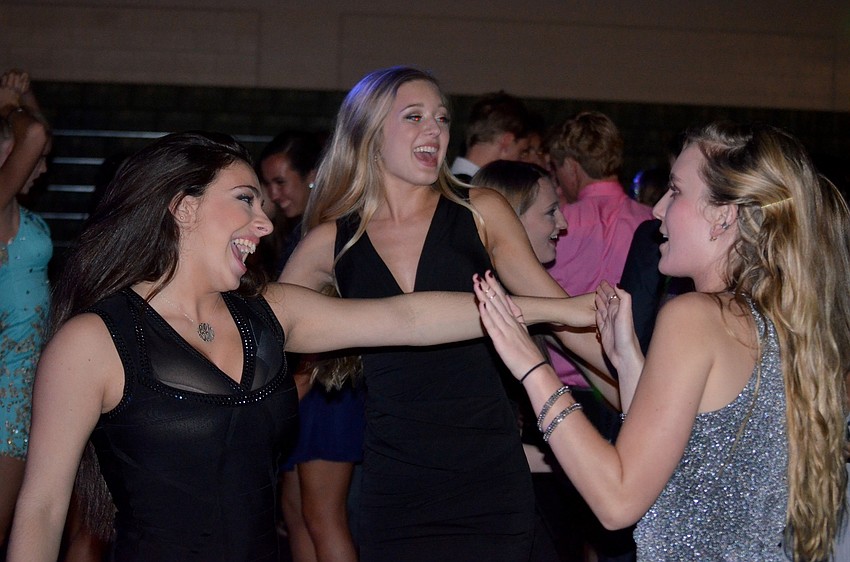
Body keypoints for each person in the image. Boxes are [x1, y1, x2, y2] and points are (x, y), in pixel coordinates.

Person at [6, 130, 595, 562]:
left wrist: (557, 310)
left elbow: (411, 317)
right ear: (183, 209)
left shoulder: (271, 314)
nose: (264, 224)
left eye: (263, 204)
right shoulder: (93, 342)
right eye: (244, 199)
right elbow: (42, 510)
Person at [475, 121, 850, 561]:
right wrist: (629, 361)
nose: (655, 210)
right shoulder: (781, 319)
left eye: (675, 192)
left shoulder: (695, 316)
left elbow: (617, 501)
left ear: (724, 215)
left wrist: (532, 370)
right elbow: (694, 466)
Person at [282, 66, 606, 561]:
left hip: (489, 478)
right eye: (414, 117)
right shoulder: (330, 242)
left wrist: (639, 387)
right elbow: (269, 349)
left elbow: (562, 319)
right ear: (368, 133)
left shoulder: (481, 211)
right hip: (396, 485)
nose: (434, 130)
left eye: (441, 118)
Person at [256, 130, 365, 562]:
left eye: (281, 182)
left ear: (314, 176)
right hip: (300, 389)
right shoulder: (297, 232)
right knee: (296, 511)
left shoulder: (327, 234)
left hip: (327, 387)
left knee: (323, 516)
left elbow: (325, 320)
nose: (273, 195)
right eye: (266, 186)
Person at [0, 68, 52, 552]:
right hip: (5, 396)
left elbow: (40, 134)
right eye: (29, 160)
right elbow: (33, 134)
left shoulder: (19, 213)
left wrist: (23, 94)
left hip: (26, 383)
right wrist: (7, 102)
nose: (42, 163)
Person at [449, 90, 531, 182]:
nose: (522, 161)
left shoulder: (445, 183)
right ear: (506, 141)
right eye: (521, 152)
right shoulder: (477, 190)